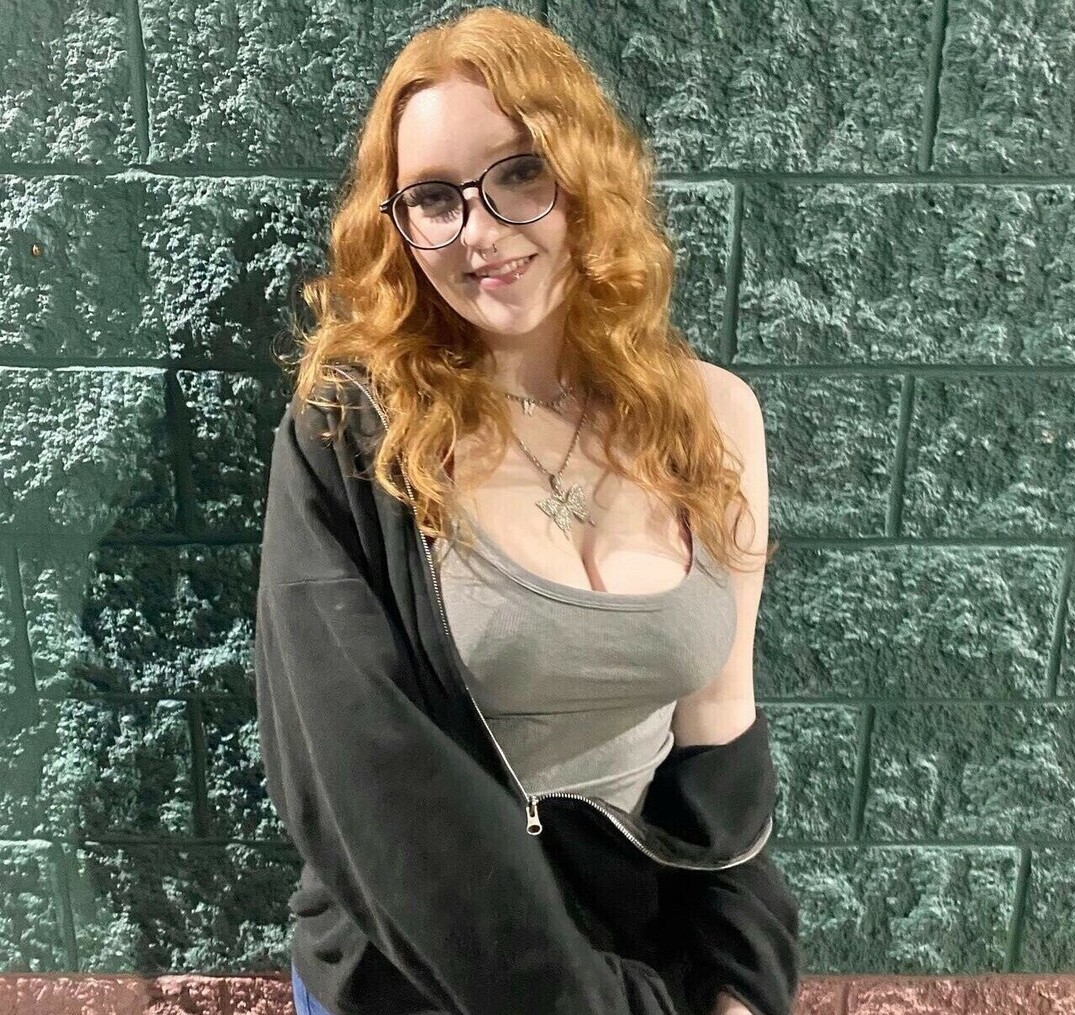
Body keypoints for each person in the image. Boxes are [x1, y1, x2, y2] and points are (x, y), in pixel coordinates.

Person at [255, 8, 802, 1015]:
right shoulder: (350, 435)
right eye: (434, 197)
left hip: (641, 958)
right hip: (416, 978)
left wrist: (740, 975)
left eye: (518, 174)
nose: (480, 232)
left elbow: (718, 727)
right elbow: (370, 781)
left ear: (584, 173)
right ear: (397, 225)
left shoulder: (716, 417)